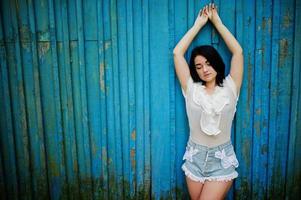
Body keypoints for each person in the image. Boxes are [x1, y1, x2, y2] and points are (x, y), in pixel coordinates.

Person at [173, 3, 243, 200]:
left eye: (209, 63)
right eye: (198, 66)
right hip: (194, 157)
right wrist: (199, 24)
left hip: (222, 160)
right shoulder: (191, 88)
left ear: (217, 63)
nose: (204, 69)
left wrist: (216, 22)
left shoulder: (231, 86)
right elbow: (177, 53)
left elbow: (238, 52)